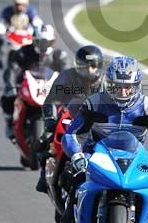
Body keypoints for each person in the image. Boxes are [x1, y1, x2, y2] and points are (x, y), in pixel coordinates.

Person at [60, 55, 148, 223]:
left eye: (127, 87)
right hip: (97, 154)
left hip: (134, 156)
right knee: (72, 176)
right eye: (117, 87)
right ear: (109, 84)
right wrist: (77, 155)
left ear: (136, 86)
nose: (122, 92)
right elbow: (71, 134)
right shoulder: (94, 103)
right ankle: (72, 213)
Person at [34, 44, 105, 193]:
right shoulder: (67, 76)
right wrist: (50, 121)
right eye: (87, 66)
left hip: (96, 121)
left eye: (94, 66)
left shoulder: (105, 81)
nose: (91, 70)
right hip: (69, 116)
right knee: (45, 139)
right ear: (79, 66)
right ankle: (44, 175)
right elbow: (51, 99)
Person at [0, 24, 68, 142]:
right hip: (27, 87)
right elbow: (12, 69)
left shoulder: (59, 56)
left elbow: (68, 73)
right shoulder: (23, 53)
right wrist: (11, 85)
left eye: (46, 43)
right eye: (40, 42)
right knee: (7, 98)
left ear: (53, 42)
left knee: (69, 107)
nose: (43, 46)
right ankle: (10, 122)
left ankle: (64, 133)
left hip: (50, 90)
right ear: (34, 41)